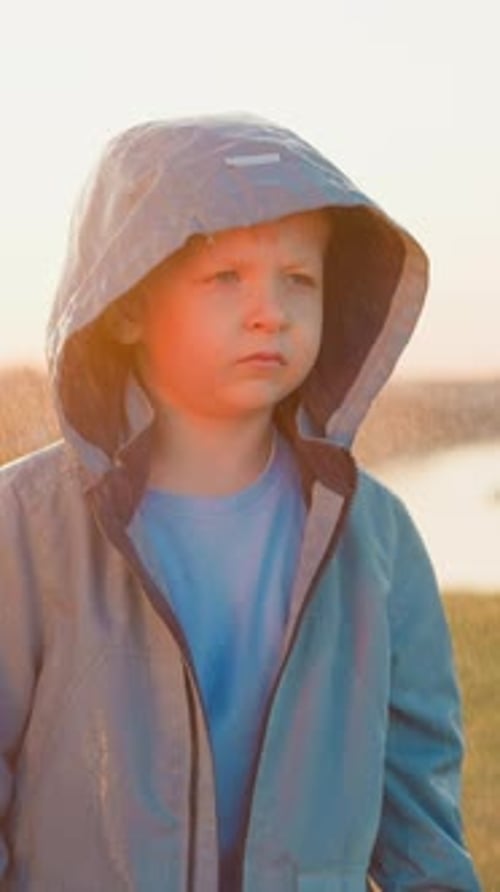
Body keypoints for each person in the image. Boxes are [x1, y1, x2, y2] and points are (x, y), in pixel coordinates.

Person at [0, 114, 481, 892]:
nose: (271, 311)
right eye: (226, 278)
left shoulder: (376, 536)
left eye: (301, 279)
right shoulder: (22, 526)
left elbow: (420, 810)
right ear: (124, 305)